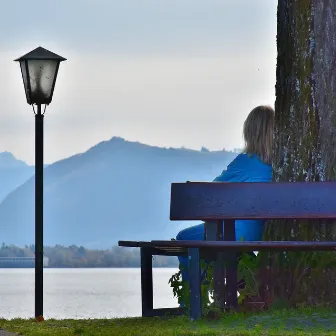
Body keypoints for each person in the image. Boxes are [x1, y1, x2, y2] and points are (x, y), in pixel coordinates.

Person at [176, 105, 275, 284]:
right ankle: (252, 291)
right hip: (264, 233)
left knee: (184, 239)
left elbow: (212, 193)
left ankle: (195, 300)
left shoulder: (246, 162)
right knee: (229, 250)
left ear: (250, 132)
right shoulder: (281, 164)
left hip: (240, 232)